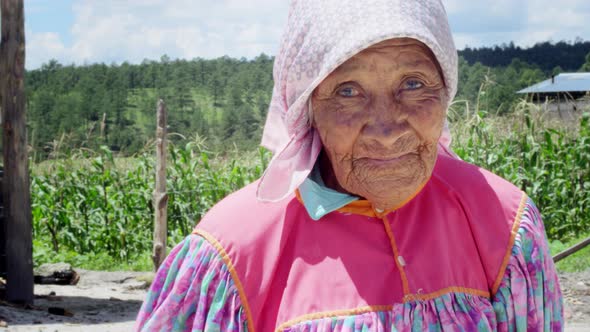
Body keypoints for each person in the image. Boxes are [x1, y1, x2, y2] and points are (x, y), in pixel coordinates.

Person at [135, 1, 563, 331]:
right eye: (348, 91)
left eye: (413, 84)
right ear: (306, 107)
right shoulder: (230, 254)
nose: (385, 129)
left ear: (446, 89)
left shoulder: (502, 223)